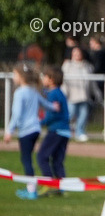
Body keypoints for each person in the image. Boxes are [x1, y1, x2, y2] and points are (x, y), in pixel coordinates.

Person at [3, 66, 49, 200]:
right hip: (36, 129)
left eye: (14, 74)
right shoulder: (33, 91)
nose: (13, 77)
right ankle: (30, 189)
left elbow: (16, 114)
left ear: (21, 77)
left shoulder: (19, 93)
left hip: (26, 131)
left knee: (26, 160)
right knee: (28, 158)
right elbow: (45, 104)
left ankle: (31, 192)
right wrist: (54, 107)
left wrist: (9, 131)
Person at [38, 66, 71, 195]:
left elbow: (53, 113)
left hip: (56, 131)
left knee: (42, 156)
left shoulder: (54, 94)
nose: (43, 79)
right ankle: (62, 187)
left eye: (44, 77)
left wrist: (40, 122)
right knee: (57, 160)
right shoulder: (57, 92)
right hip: (65, 131)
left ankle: (48, 184)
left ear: (51, 79)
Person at [62, 46, 94, 142]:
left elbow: (92, 82)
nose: (77, 55)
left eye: (78, 53)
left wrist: (96, 94)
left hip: (84, 96)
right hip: (72, 96)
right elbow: (64, 81)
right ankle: (63, 130)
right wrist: (64, 93)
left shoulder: (87, 66)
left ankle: (80, 132)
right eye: (75, 53)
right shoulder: (67, 65)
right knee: (70, 114)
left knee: (83, 115)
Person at [89, 37, 105, 129]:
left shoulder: (99, 54)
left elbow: (98, 67)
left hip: (98, 79)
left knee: (102, 101)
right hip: (101, 78)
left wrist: (93, 72)